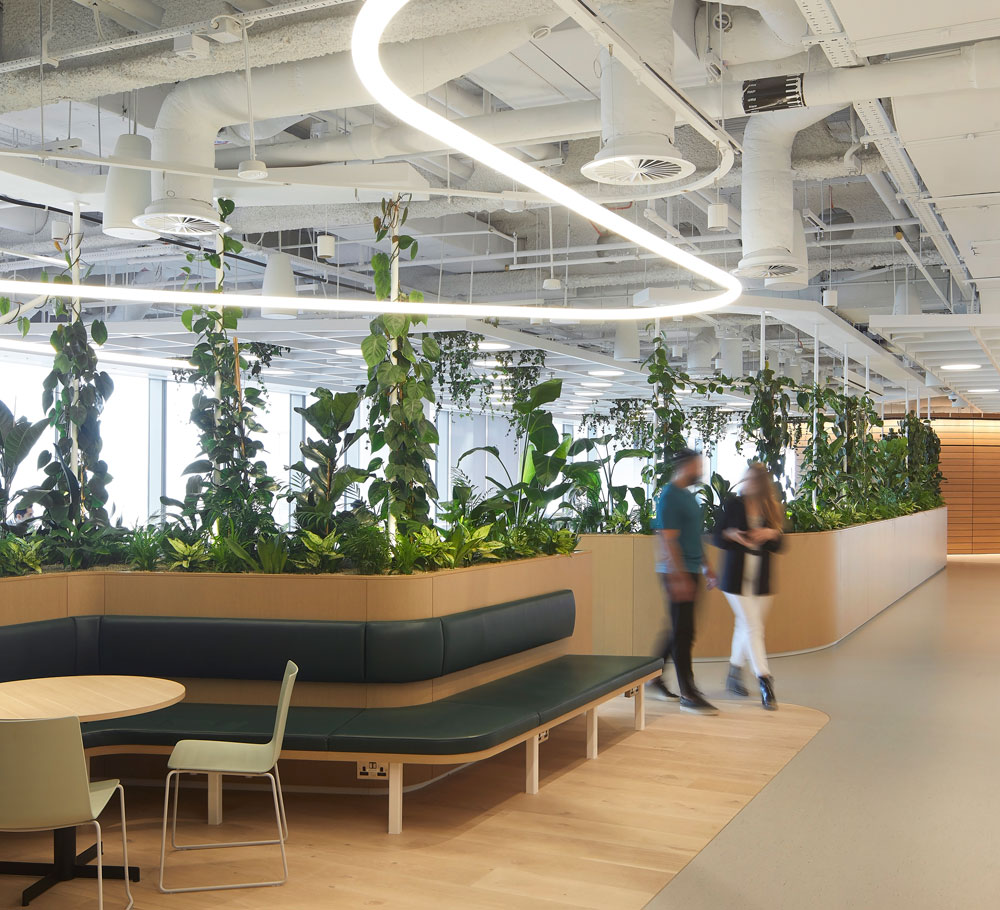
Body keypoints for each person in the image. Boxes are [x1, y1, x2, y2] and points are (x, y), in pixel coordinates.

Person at [650, 447, 719, 716]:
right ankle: (688, 693)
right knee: (683, 632)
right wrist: (679, 577)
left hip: (690, 569)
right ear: (684, 466)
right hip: (676, 571)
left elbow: (693, 536)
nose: (700, 471)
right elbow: (668, 540)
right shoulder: (669, 496)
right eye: (697, 466)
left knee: (679, 630)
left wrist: (706, 567)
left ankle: (653, 677)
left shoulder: (688, 497)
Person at [714, 462, 784, 711]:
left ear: (762, 483)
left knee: (746, 626)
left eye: (753, 480)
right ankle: (765, 679)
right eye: (747, 479)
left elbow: (780, 546)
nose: (748, 484)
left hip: (760, 579)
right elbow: (717, 535)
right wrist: (731, 534)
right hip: (735, 578)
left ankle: (734, 674)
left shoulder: (770, 507)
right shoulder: (734, 504)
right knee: (754, 627)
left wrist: (771, 534)